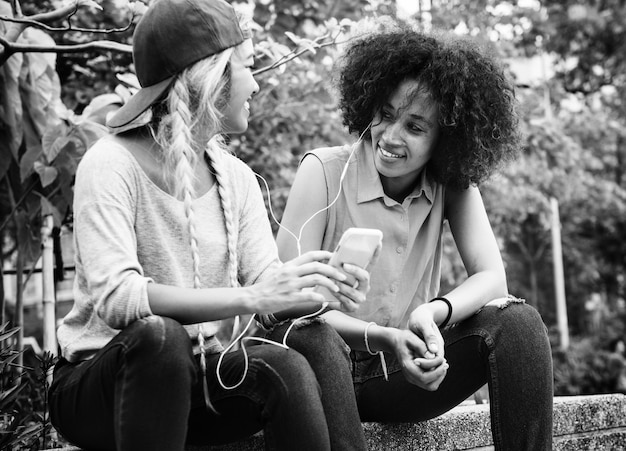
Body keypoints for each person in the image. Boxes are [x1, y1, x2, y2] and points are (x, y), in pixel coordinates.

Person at [48, 0, 370, 449]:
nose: (256, 85)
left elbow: (266, 289)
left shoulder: (234, 176)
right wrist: (252, 295)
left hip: (201, 379)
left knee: (298, 354)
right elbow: (119, 299)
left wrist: (317, 286)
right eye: (247, 68)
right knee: (162, 337)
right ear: (213, 78)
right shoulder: (110, 163)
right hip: (103, 385)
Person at [275, 21, 554, 450]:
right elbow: (283, 308)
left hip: (401, 373)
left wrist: (433, 314)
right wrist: (381, 336)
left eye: (415, 127)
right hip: (323, 368)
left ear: (447, 139)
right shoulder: (324, 171)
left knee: (518, 322)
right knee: (315, 341)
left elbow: (493, 278)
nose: (390, 136)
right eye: (385, 115)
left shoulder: (452, 184)